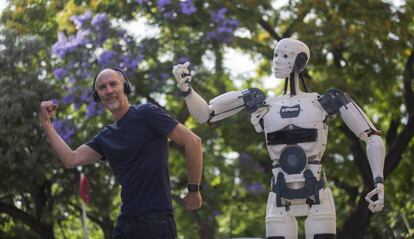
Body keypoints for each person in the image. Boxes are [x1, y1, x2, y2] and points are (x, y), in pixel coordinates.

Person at [173, 38, 385, 238]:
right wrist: (187, 91)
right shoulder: (263, 104)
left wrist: (378, 180)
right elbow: (205, 114)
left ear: (299, 61)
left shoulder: (323, 102)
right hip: (279, 194)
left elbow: (371, 136)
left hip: (317, 192)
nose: (276, 61)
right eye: (275, 55)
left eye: (285, 56)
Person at [39, 67, 203, 239]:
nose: (108, 91)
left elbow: (193, 142)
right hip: (125, 223)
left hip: (156, 220)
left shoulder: (146, 113)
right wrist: (46, 123)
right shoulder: (105, 137)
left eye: (113, 84)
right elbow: (71, 160)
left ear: (125, 87)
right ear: (98, 96)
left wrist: (194, 190)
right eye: (102, 87)